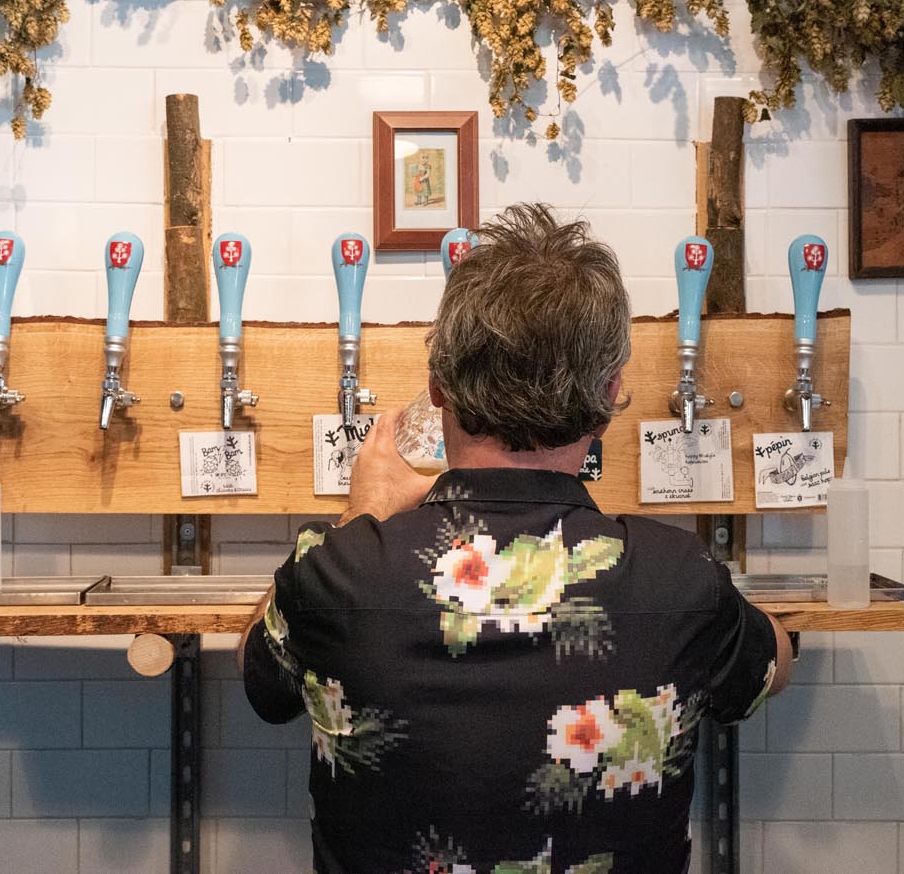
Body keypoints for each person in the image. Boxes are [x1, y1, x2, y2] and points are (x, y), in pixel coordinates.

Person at [239, 203, 793, 874]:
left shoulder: (337, 571)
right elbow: (767, 671)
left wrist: (363, 517)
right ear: (610, 394)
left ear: (438, 385)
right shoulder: (679, 578)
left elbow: (261, 682)